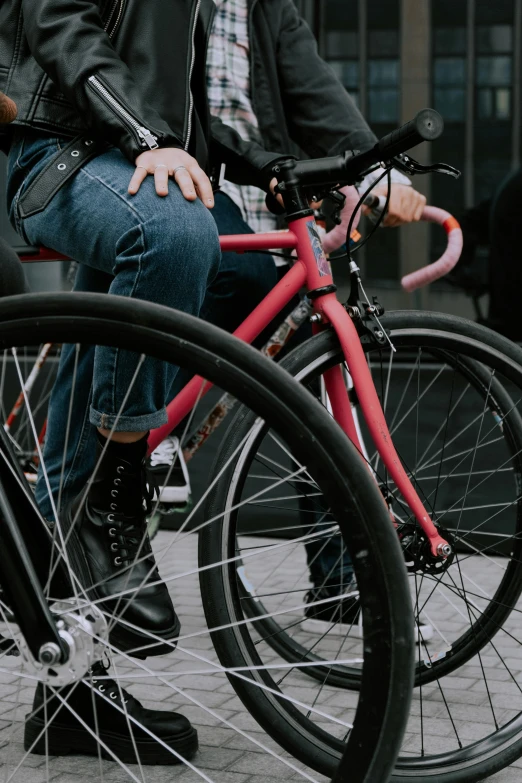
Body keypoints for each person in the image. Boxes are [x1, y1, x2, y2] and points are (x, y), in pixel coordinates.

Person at [0, 0, 291, 763]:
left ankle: (72, 697)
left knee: (71, 464)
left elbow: (184, 112)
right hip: (56, 150)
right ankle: (119, 486)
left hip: (124, 156)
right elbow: (57, 19)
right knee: (172, 229)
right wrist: (148, 137)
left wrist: (276, 170)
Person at [149, 0, 428, 634]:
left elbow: (316, 94)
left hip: (268, 214)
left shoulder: (267, 9)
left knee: (327, 394)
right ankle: (146, 438)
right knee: (215, 278)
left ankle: (341, 586)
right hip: (180, 185)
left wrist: (372, 168)